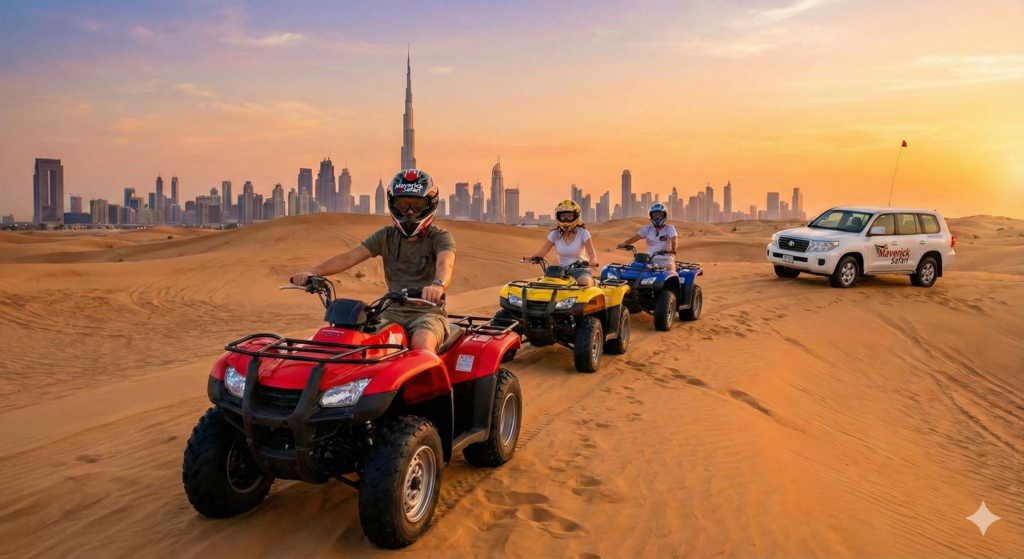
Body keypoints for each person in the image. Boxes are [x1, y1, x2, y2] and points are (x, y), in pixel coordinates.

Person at [290, 169, 454, 353]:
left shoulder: (440, 237)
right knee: (359, 343)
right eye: (403, 204)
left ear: (429, 205)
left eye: (416, 204)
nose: (410, 211)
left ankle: (435, 383)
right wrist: (313, 272)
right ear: (393, 204)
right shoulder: (385, 236)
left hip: (427, 313)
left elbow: (445, 264)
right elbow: (349, 257)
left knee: (421, 344)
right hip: (390, 312)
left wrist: (438, 285)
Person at [523, 199, 599, 286]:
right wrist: (531, 257)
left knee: (585, 284)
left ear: (576, 216)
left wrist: (592, 260)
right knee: (545, 286)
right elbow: (542, 252)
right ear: (558, 217)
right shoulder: (555, 234)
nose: (566, 219)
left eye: (570, 216)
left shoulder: (583, 233)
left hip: (580, 271)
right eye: (563, 216)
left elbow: (591, 251)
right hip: (560, 272)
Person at [618, 203, 678, 269]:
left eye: (660, 215)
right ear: (651, 216)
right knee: (636, 269)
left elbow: (674, 239)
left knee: (670, 272)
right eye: (655, 216)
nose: (657, 218)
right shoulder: (647, 228)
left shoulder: (669, 228)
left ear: (664, 216)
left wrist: (673, 249)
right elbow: (635, 238)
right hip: (651, 260)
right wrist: (624, 243)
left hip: (667, 260)